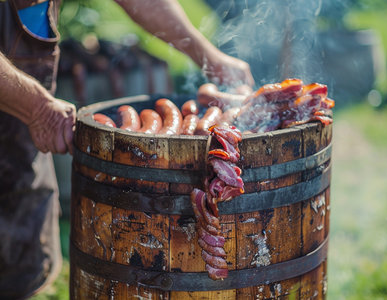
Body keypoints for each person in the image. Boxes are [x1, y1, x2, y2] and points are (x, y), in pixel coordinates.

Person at [0, 0, 254, 298]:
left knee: (18, 274)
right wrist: (38, 109)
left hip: (18, 153)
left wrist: (209, 56)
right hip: (27, 110)